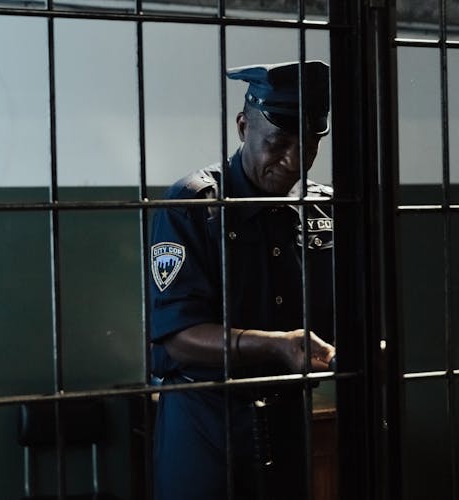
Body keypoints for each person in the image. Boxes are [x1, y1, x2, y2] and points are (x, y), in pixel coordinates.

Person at [149, 60, 337, 500]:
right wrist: (274, 344)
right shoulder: (194, 205)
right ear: (242, 127)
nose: (295, 161)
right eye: (279, 142)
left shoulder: (323, 209)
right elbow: (177, 336)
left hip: (289, 417)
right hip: (205, 421)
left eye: (309, 145)